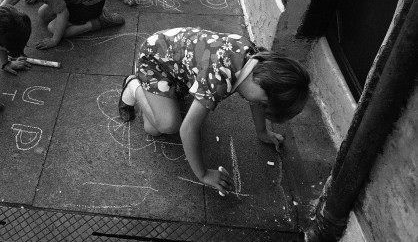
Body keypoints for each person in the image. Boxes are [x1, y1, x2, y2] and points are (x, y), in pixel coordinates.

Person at [118, 27, 310, 196]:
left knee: (171, 115)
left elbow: (257, 101)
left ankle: (170, 89)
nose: (259, 105)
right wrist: (203, 174)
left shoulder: (257, 61)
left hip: (175, 58)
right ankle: (133, 86)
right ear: (262, 83)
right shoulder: (219, 79)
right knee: (163, 127)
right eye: (262, 103)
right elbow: (188, 129)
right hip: (154, 60)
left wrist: (262, 132)